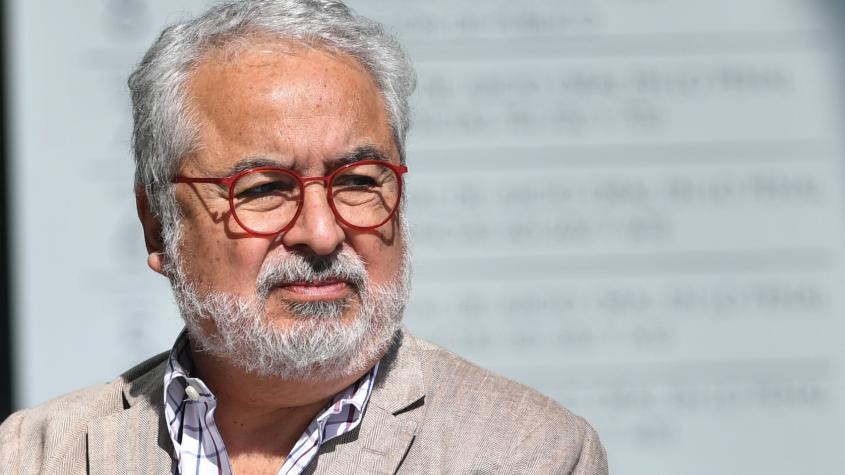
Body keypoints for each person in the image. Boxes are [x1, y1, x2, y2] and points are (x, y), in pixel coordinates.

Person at [0, 1, 608, 473]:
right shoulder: (34, 455)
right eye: (265, 189)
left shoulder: (524, 451)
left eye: (358, 181)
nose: (322, 233)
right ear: (158, 224)